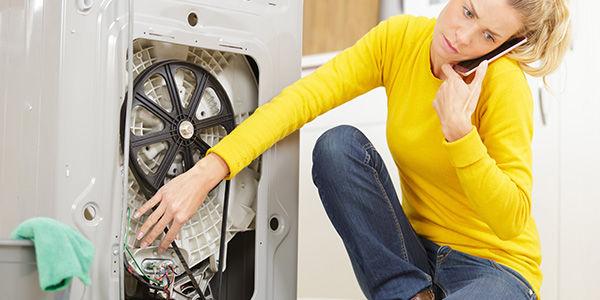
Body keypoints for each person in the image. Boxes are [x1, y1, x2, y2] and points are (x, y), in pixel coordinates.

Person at [133, 0, 571, 299]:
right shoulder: (400, 40)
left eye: (488, 35)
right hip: (415, 253)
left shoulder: (505, 85)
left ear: (505, 47)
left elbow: (512, 220)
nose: (461, 35)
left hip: (496, 271)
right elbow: (302, 99)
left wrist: (460, 134)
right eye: (467, 9)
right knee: (337, 146)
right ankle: (411, 293)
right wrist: (207, 171)